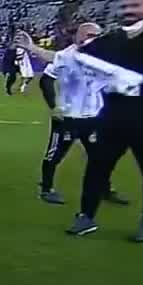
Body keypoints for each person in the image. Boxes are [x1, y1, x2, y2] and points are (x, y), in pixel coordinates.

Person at [30, 0, 143, 241]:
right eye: (125, 5)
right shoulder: (112, 39)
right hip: (113, 116)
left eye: (135, 5)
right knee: (96, 167)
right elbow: (69, 59)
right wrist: (32, 48)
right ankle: (86, 216)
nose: (128, 9)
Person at [31, 23, 129, 206]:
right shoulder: (67, 55)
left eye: (95, 35)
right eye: (88, 35)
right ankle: (47, 189)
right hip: (67, 116)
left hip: (93, 117)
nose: (91, 39)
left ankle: (104, 189)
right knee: (55, 154)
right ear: (78, 36)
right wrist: (54, 106)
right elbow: (46, 80)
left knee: (101, 156)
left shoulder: (103, 56)